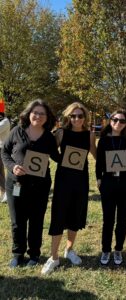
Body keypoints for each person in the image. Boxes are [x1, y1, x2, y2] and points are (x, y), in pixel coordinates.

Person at [1, 99, 59, 267]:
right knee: (17, 221)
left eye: (42, 114)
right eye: (35, 113)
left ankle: (34, 255)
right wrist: (13, 167)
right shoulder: (17, 131)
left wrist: (71, 144)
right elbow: (5, 152)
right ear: (28, 114)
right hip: (16, 185)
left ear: (47, 117)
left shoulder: (49, 137)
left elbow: (57, 157)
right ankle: (17, 254)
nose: (38, 116)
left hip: (40, 187)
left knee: (36, 221)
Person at [41, 102, 96, 275]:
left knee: (76, 215)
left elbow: (96, 155)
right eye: (73, 116)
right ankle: (54, 257)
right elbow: (52, 152)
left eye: (80, 116)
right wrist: (64, 160)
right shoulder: (61, 133)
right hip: (63, 180)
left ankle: (69, 250)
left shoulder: (90, 135)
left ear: (85, 117)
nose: (77, 119)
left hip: (81, 180)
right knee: (58, 215)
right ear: (68, 117)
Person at [96, 110, 126, 266]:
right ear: (110, 120)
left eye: (122, 121)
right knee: (108, 219)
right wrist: (99, 179)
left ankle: (118, 249)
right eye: (115, 119)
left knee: (122, 219)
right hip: (108, 183)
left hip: (125, 183)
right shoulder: (103, 141)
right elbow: (99, 162)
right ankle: (106, 249)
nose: (118, 123)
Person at [0, 112, 10, 202]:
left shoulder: (5, 121)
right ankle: (3, 192)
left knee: (9, 170)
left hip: (4, 149)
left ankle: (9, 192)